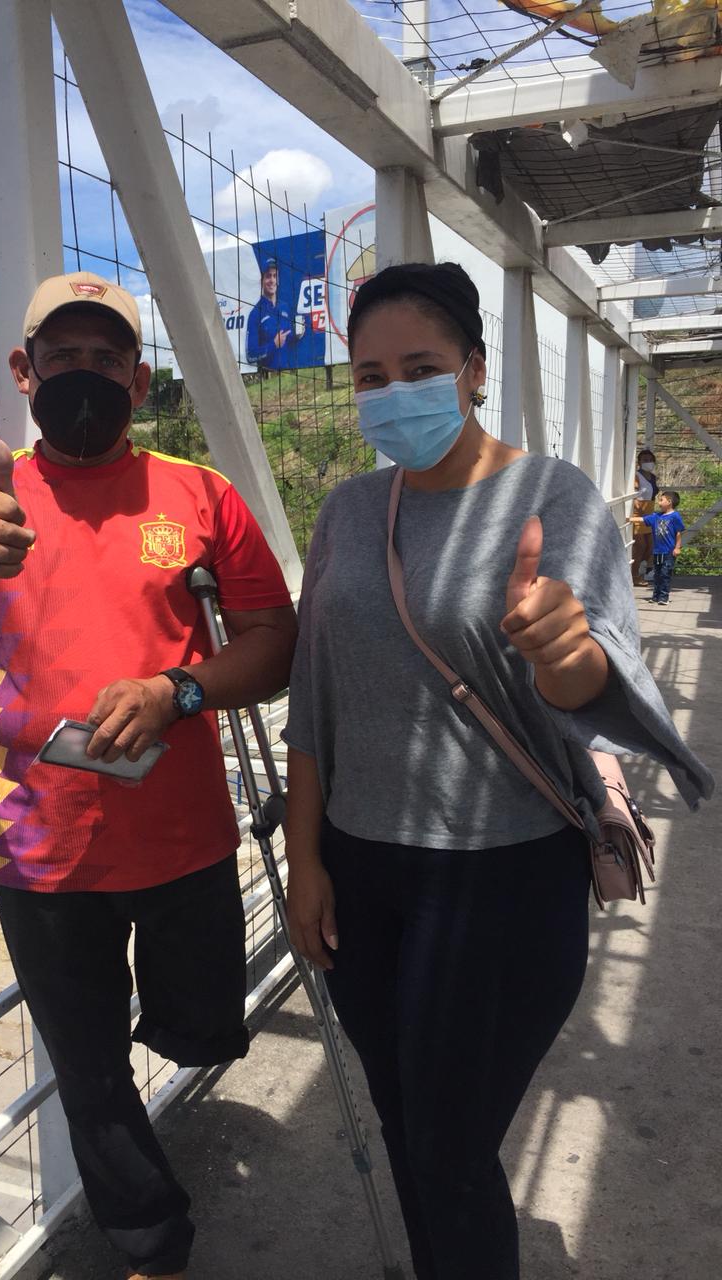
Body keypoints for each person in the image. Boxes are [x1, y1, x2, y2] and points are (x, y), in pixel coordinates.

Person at [281, 262, 713, 1280]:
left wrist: (565, 655)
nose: (394, 393)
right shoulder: (349, 510)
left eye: (421, 368)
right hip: (360, 866)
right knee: (405, 1120)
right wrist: (305, 859)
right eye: (371, 376)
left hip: (500, 877)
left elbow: (591, 675)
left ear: (475, 369)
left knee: (449, 1146)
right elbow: (313, 695)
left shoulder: (554, 498)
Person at [0, 270, 296, 1280]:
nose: (83, 374)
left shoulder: (201, 493)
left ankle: (181, 1046)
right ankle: (154, 1243)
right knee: (92, 1071)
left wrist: (178, 690)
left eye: (105, 359)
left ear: (138, 380)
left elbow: (274, 641)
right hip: (41, 846)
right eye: (60, 356)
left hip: (188, 836)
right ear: (23, 372)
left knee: (201, 1029)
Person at [245, 258, 296, 370]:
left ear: (278, 280)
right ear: (262, 281)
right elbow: (250, 356)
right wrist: (274, 344)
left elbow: (289, 339)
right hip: (268, 376)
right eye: (268, 276)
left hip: (289, 374)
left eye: (275, 276)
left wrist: (297, 333)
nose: (272, 280)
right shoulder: (255, 314)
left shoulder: (285, 307)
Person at [644, 489, 685, 606]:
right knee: (657, 575)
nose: (659, 503)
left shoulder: (675, 516)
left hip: (668, 552)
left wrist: (677, 548)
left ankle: (664, 597)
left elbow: (679, 533)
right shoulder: (656, 516)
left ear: (669, 502)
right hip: (657, 551)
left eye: (661, 500)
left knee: (665, 574)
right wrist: (627, 519)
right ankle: (656, 596)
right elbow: (642, 519)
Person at [631, 448, 659, 586]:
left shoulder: (653, 477)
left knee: (650, 547)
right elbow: (635, 495)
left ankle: (642, 571)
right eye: (645, 460)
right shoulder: (636, 476)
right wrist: (640, 510)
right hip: (638, 514)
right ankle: (634, 575)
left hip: (650, 513)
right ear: (639, 462)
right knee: (640, 546)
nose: (648, 462)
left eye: (650, 460)